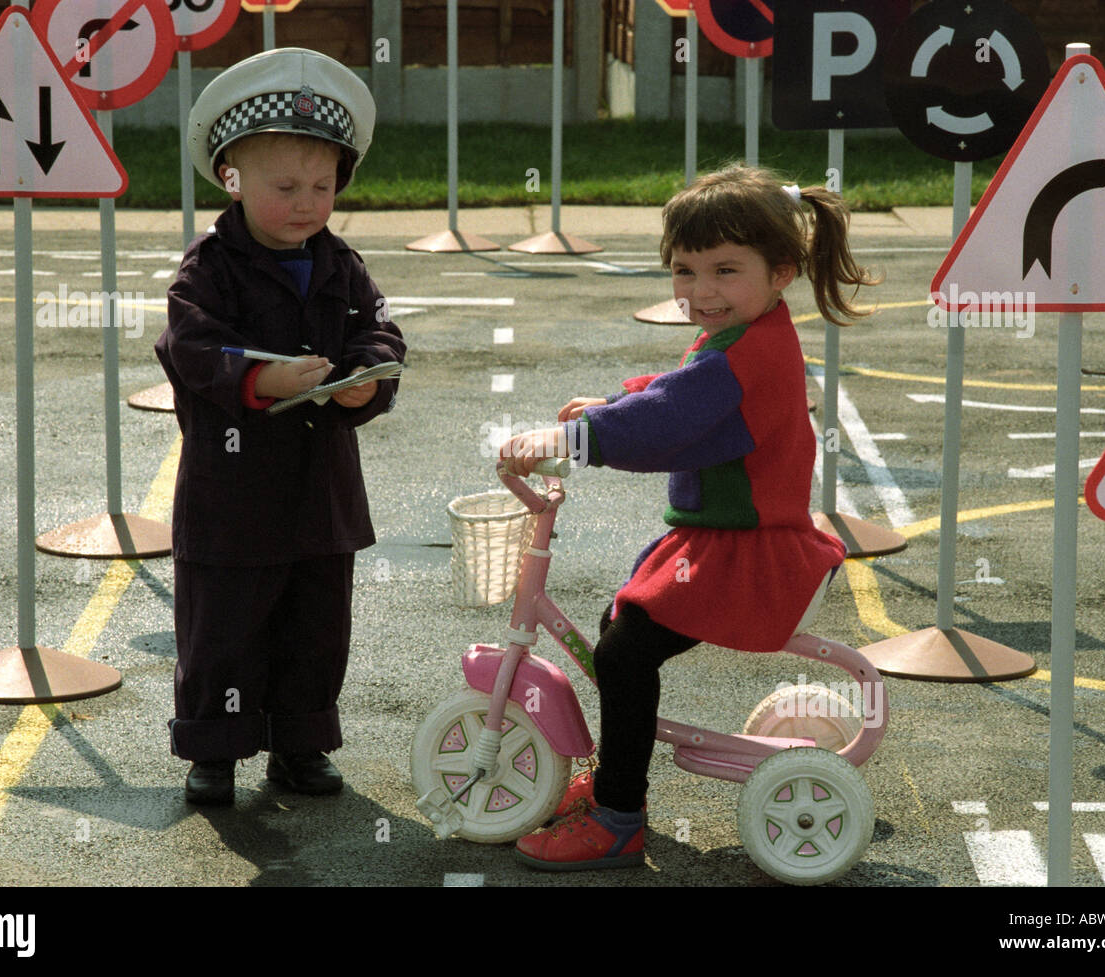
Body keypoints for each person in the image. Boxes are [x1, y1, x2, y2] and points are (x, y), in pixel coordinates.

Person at [499, 164, 880, 869]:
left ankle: (616, 817)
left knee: (623, 651)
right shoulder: (746, 329)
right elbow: (681, 392)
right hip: (720, 537)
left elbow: (676, 415)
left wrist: (576, 439)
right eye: (684, 271)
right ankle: (618, 775)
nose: (701, 292)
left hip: (747, 549)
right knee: (622, 627)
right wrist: (610, 406)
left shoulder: (754, 349)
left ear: (780, 273)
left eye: (725, 271)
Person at [155, 49, 405, 805]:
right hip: (231, 496)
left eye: (322, 187)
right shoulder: (211, 268)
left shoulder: (340, 264)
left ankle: (301, 743)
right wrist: (260, 379)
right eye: (285, 187)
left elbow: (381, 335)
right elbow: (188, 346)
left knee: (314, 624)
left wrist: (362, 385)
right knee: (224, 627)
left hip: (319, 494)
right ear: (232, 178)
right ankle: (215, 749)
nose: (306, 203)